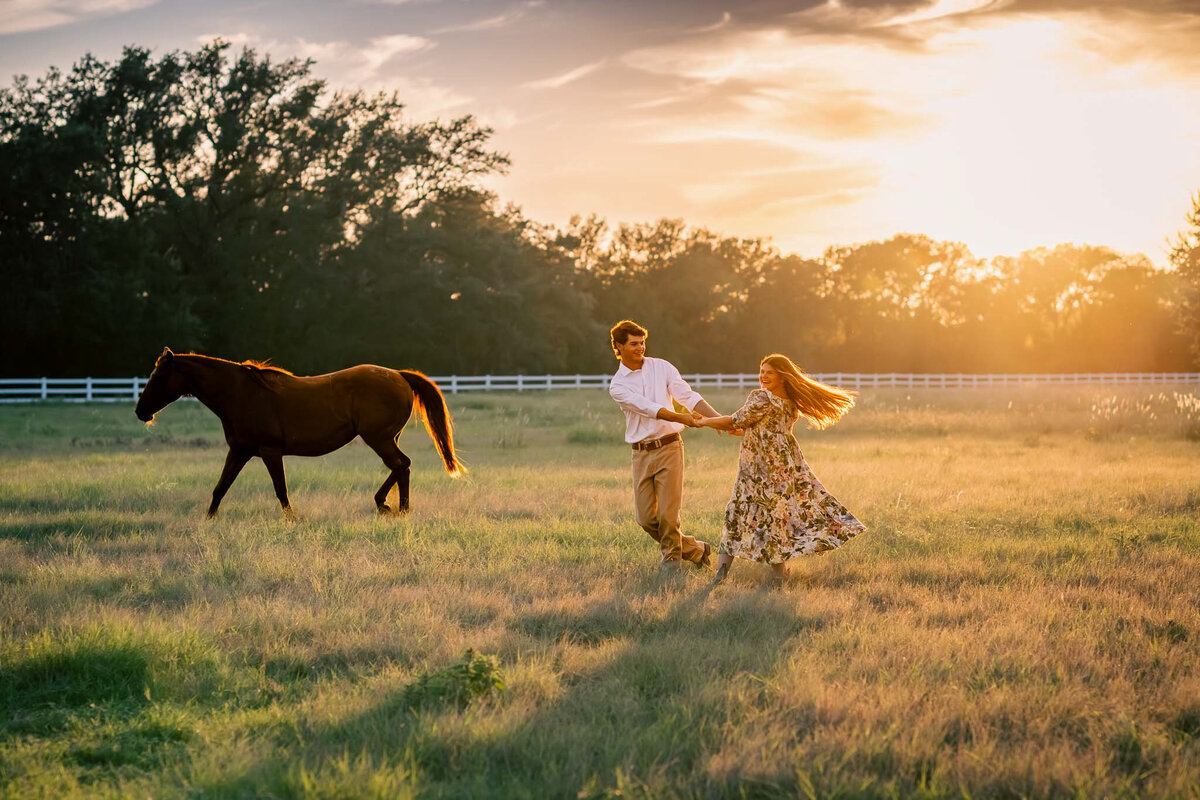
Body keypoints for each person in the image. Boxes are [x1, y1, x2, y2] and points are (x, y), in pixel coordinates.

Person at [696, 353, 866, 584]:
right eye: (762, 371)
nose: (763, 376)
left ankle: (723, 574)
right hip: (784, 466)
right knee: (775, 516)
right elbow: (749, 427)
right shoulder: (790, 402)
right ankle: (778, 574)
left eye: (769, 372)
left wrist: (703, 421)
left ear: (783, 377)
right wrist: (731, 428)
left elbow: (735, 421)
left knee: (738, 512)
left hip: (760, 469)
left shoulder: (761, 398)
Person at [608, 319, 724, 571]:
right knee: (646, 519)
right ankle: (696, 549)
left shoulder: (662, 367)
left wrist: (716, 420)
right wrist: (681, 417)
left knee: (668, 516)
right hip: (640, 454)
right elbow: (647, 408)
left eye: (643, 343)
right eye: (634, 344)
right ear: (619, 346)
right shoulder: (617, 385)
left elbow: (687, 396)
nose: (641, 348)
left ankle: (671, 563)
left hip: (670, 447)